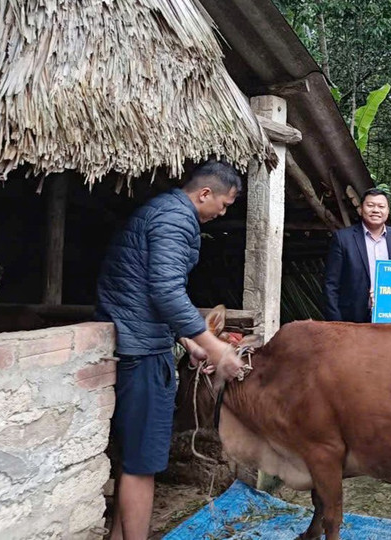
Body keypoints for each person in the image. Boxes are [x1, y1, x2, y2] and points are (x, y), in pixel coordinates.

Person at [96, 160, 247, 540]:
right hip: (142, 351)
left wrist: (187, 340)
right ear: (205, 194)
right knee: (141, 464)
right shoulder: (176, 219)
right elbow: (166, 291)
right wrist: (214, 347)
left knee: (133, 458)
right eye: (225, 205)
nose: (223, 212)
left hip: (140, 338)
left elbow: (146, 289)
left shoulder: (161, 212)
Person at [324, 188, 391, 323]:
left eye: (381, 206)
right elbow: (331, 284)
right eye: (370, 205)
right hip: (351, 320)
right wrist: (336, 323)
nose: (376, 210)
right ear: (361, 209)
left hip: (390, 318)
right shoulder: (343, 238)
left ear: (388, 211)